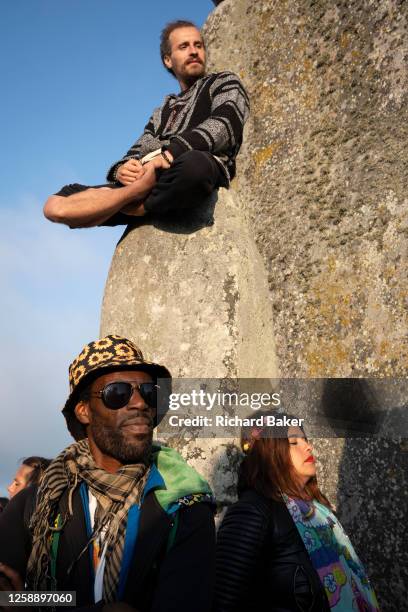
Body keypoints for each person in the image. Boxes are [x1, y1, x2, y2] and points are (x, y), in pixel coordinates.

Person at [0, 335, 215, 611]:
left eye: (149, 392)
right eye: (118, 393)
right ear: (84, 411)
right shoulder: (36, 502)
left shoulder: (184, 505)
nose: (139, 404)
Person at [43, 20, 249, 228]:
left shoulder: (223, 81)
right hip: (151, 182)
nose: (194, 51)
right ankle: (134, 197)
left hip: (188, 174)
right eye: (184, 46)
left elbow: (225, 123)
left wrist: (169, 154)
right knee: (55, 203)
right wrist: (123, 168)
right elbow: (140, 146)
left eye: (198, 45)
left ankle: (131, 205)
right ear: (168, 60)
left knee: (196, 166)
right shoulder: (163, 110)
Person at [214, 413, 380, 612]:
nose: (308, 446)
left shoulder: (318, 512)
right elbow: (222, 601)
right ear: (269, 452)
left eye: (305, 440)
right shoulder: (253, 512)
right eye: (294, 442)